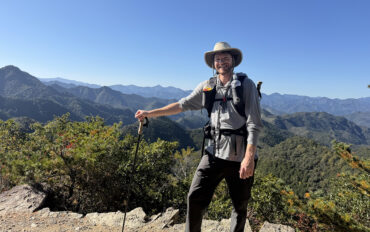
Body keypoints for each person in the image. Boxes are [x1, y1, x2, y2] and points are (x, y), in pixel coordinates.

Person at [135, 42, 263, 232]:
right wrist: (150, 113)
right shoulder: (207, 87)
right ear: (213, 63)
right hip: (214, 152)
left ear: (233, 61)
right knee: (194, 197)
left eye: (225, 58)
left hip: (240, 155)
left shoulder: (246, 85)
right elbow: (181, 105)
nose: (221, 62)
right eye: (217, 59)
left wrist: (249, 158)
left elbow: (254, 123)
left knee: (239, 205)